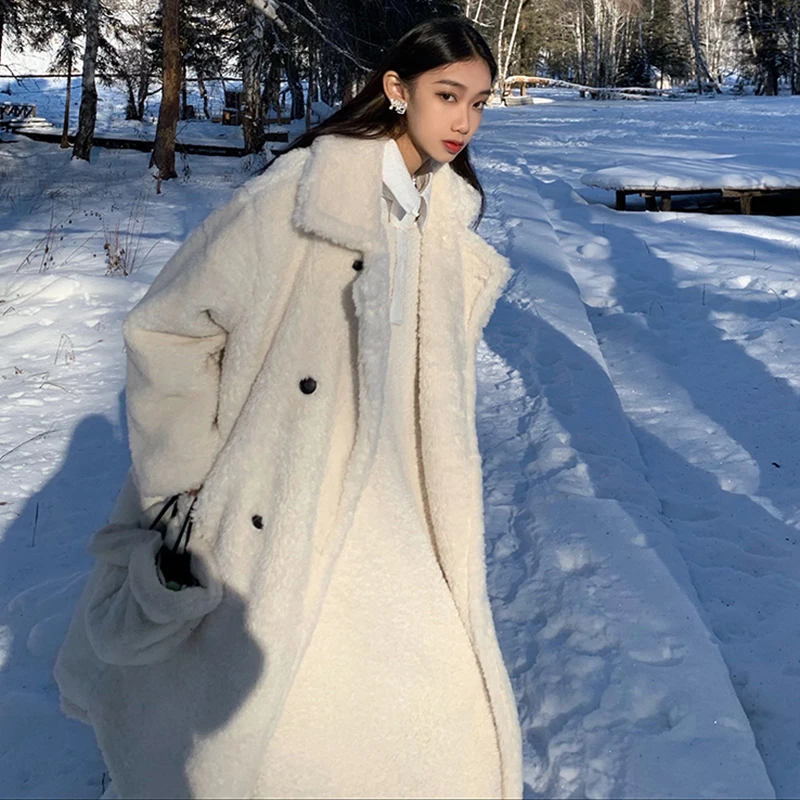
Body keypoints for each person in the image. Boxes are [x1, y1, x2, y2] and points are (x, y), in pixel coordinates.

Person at [54, 14, 523, 799]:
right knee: (273, 726)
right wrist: (187, 477)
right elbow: (164, 328)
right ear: (396, 89)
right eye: (448, 95)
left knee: (432, 723)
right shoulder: (298, 200)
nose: (464, 121)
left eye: (478, 102)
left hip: (399, 505)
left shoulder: (440, 218)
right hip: (283, 497)